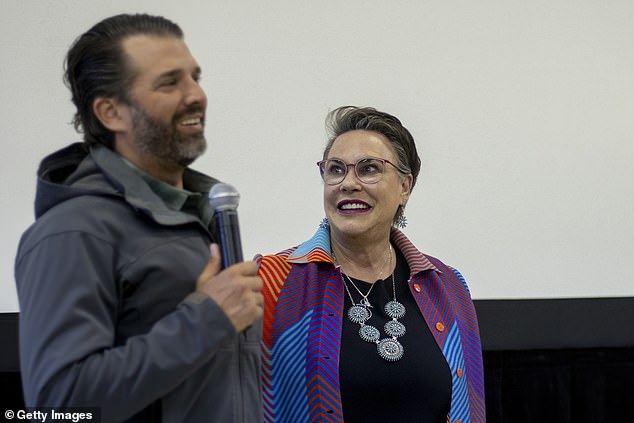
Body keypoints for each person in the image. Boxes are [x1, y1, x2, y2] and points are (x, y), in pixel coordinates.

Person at [14, 14, 263, 422]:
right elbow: (58, 405)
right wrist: (205, 320)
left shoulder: (199, 218)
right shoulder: (72, 231)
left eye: (194, 77)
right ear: (111, 112)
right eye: (170, 82)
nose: (196, 94)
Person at [257, 106, 485, 423]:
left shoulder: (447, 285)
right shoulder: (273, 280)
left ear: (405, 187)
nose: (348, 183)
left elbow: (470, 406)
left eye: (368, 169)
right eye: (335, 169)